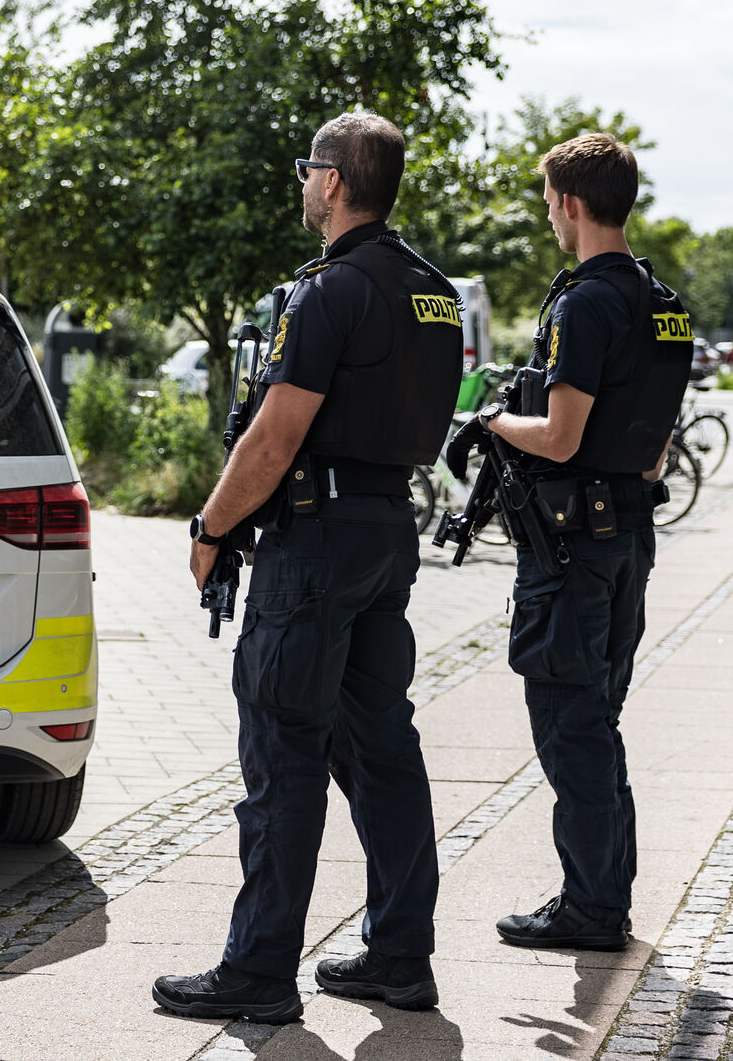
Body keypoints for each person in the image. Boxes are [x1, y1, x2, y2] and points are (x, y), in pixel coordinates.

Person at [152, 111, 463, 1023]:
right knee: (383, 749)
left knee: (284, 751)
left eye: (307, 170)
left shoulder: (327, 291)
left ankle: (257, 970)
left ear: (333, 182)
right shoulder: (431, 291)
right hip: (384, 530)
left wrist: (211, 525)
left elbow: (276, 432)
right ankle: (400, 956)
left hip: (316, 542)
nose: (303, 184)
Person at [470, 132, 690, 951]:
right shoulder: (665, 304)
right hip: (630, 535)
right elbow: (657, 444)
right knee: (596, 718)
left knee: (572, 725)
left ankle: (592, 907)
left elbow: (560, 437)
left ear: (569, 202)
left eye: (547, 202)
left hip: (571, 551)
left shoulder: (583, 302)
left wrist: (493, 420)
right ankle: (602, 896)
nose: (548, 217)